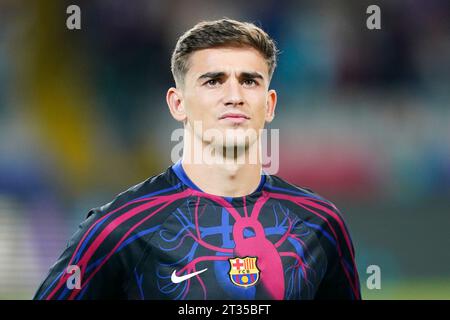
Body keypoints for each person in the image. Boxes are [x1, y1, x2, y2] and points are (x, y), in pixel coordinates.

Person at [33, 18, 361, 300]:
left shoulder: (320, 225)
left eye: (249, 81)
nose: (234, 96)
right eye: (213, 81)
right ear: (178, 104)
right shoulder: (120, 228)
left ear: (270, 104)